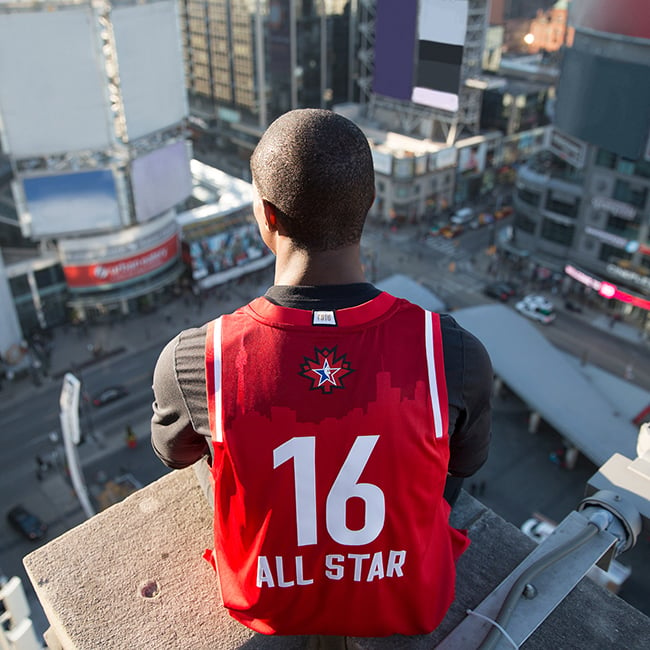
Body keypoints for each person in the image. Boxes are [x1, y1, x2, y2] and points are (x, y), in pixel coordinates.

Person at [151, 109, 492, 639]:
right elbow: (465, 465)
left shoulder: (197, 357)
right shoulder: (449, 350)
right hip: (410, 599)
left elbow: (173, 453)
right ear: (369, 206)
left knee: (216, 439)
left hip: (266, 603)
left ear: (266, 215)